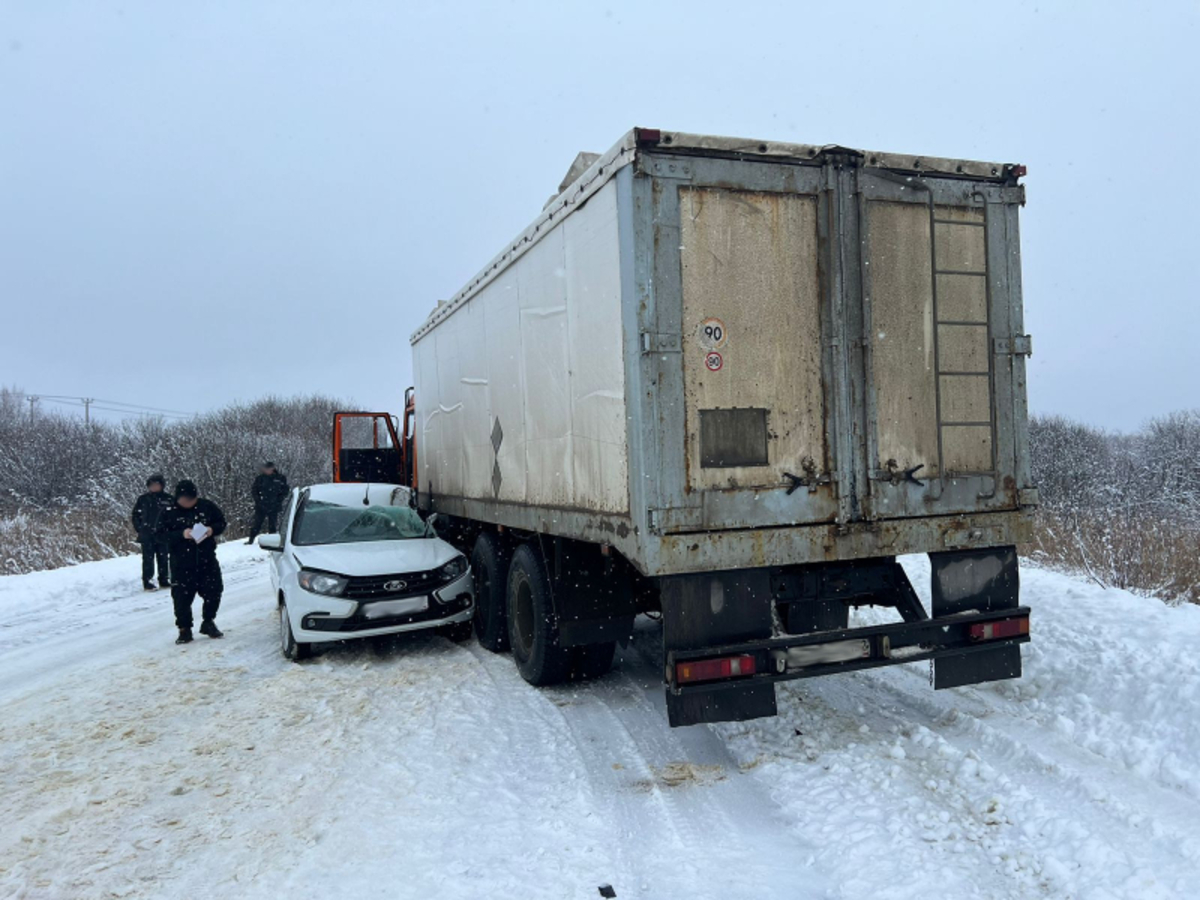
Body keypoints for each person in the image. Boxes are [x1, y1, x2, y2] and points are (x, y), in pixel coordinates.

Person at [159, 479, 227, 645]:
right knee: (181, 598)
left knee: (214, 591)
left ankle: (208, 621)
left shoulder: (206, 506)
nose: (189, 503)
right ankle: (184, 629)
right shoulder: (168, 512)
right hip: (181, 562)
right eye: (185, 500)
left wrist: (211, 530)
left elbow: (221, 522)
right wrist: (181, 534)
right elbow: (159, 535)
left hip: (206, 558)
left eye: (192, 499)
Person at [131, 474, 173, 591]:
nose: (154, 487)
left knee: (163, 557)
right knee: (148, 559)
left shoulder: (168, 499)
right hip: (147, 534)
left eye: (156, 485)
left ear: (162, 485)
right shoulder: (143, 499)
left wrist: (169, 530)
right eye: (151, 485)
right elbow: (135, 515)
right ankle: (147, 581)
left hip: (163, 534)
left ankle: (164, 579)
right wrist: (140, 528)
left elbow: (174, 516)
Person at [247, 461, 288, 543]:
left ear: (273, 468)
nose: (267, 471)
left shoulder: (280, 478)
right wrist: (258, 501)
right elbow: (254, 490)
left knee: (272, 525)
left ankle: (272, 542)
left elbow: (285, 491)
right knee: (257, 524)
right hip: (261, 505)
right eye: (266, 469)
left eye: (269, 469)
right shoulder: (260, 478)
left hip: (274, 506)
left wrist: (278, 500)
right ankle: (251, 540)